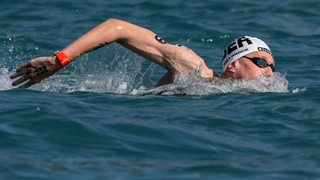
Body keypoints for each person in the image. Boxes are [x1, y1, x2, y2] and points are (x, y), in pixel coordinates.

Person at [10, 18, 275, 88]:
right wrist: (60, 61)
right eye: (262, 62)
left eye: (273, 65)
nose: (269, 71)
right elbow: (117, 27)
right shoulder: (194, 69)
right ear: (233, 65)